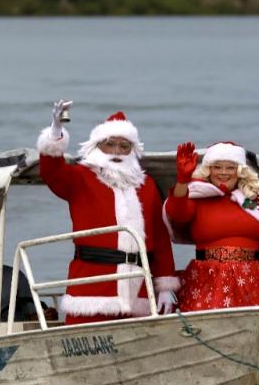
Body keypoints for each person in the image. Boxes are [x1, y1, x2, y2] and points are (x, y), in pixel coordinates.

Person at [37, 101, 179, 324]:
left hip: (139, 289)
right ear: (95, 147)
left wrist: (164, 286)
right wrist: (55, 132)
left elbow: (160, 239)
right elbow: (51, 172)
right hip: (91, 287)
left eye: (124, 146)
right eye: (109, 144)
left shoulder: (147, 185)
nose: (117, 152)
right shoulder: (80, 177)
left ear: (133, 151)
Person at [164, 141, 259, 311]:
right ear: (209, 170)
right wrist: (182, 180)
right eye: (217, 167)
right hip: (209, 279)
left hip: (251, 279)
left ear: (239, 171)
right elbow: (176, 213)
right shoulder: (197, 196)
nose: (223, 173)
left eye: (230, 167)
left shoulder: (254, 198)